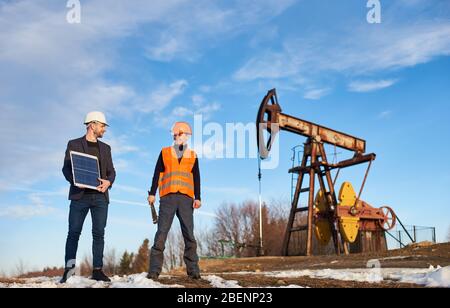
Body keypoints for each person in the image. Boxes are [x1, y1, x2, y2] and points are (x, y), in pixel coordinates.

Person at [60, 111, 116, 283]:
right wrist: (75, 181)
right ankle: (69, 271)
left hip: (100, 197)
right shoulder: (74, 144)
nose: (104, 129)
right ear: (92, 125)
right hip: (80, 197)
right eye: (102, 126)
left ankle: (97, 271)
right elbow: (66, 169)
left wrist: (108, 182)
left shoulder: (106, 148)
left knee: (99, 234)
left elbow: (111, 172)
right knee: (73, 233)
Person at [147, 122, 202, 280]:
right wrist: (152, 193)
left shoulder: (192, 155)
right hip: (168, 198)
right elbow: (157, 173)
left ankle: (193, 271)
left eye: (183, 134)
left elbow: (197, 177)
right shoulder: (165, 152)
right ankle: (154, 271)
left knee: (189, 235)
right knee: (161, 234)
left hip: (186, 199)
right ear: (175, 135)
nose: (180, 137)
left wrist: (198, 197)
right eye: (178, 134)